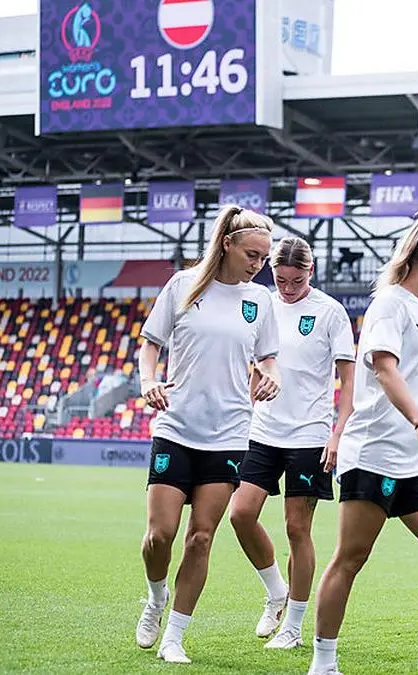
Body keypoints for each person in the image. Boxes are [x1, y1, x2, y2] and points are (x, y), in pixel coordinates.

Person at [307, 212, 418, 675]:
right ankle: (323, 664)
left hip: (411, 461)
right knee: (351, 558)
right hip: (374, 454)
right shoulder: (389, 304)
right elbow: (384, 368)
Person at [134, 205, 281, 664]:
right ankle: (155, 598)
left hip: (229, 434)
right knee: (160, 535)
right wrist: (148, 380)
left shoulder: (260, 301)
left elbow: (268, 357)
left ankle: (174, 638)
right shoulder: (183, 285)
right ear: (227, 244)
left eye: (264, 257)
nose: (258, 265)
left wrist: (271, 375)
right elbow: (150, 345)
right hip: (176, 427)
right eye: (252, 255)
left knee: (200, 537)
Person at [228, 237, 357, 648]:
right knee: (240, 514)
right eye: (280, 280)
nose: (287, 288)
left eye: (296, 281)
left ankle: (294, 628)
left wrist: (338, 433)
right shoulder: (262, 305)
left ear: (310, 272)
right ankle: (276, 591)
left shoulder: (330, 312)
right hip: (262, 430)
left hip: (309, 434)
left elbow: (349, 380)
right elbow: (253, 362)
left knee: (297, 528)